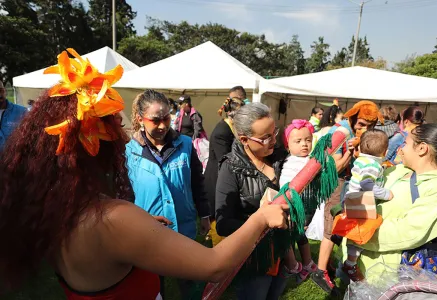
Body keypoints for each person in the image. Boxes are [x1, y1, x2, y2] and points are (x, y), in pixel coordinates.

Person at [0, 48, 290, 300]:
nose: (123, 141)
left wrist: (141, 224)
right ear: (96, 146)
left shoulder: (53, 210)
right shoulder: (113, 219)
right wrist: (261, 217)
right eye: (116, 130)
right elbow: (214, 265)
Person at [127, 90, 211, 297]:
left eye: (166, 118)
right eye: (155, 120)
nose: (163, 125)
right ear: (140, 119)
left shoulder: (184, 144)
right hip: (148, 230)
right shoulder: (129, 150)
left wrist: (205, 214)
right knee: (153, 284)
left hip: (184, 226)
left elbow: (196, 183)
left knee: (189, 281)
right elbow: (125, 192)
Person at [349, 123, 437, 277]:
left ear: (422, 148)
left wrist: (357, 233)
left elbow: (409, 230)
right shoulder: (397, 170)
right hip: (363, 267)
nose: (400, 148)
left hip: (391, 276)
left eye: (406, 143)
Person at [215, 103, 288, 300]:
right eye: (266, 138)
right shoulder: (230, 168)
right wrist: (260, 224)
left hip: (283, 250)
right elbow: (223, 224)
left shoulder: (281, 158)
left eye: (275, 133)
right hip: (254, 258)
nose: (274, 141)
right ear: (245, 140)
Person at [311, 100, 383, 294]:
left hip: (347, 184)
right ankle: (320, 271)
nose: (364, 128)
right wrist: (351, 152)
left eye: (370, 126)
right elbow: (334, 168)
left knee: (339, 228)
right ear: (352, 118)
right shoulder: (341, 133)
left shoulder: (352, 132)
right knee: (331, 227)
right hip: (337, 184)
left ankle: (327, 265)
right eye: (361, 124)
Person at [340, 129, 393, 281]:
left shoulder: (362, 160)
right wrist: (385, 194)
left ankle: (349, 260)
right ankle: (350, 264)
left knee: (355, 233)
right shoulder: (373, 166)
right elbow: (367, 183)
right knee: (361, 234)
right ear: (385, 151)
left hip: (352, 200)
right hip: (361, 204)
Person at [204, 86, 246, 247]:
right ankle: (218, 253)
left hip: (222, 176)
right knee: (218, 218)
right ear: (232, 114)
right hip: (216, 179)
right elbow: (225, 159)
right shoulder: (222, 131)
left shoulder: (230, 128)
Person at [279, 119, 318, 282]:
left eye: (308, 140)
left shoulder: (311, 161)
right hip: (290, 205)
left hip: (301, 207)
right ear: (288, 145)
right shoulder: (287, 160)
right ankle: (308, 262)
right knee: (299, 235)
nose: (304, 144)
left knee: (288, 236)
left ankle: (294, 266)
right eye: (298, 141)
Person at [0, 79, 27, 150]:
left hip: (14, 159)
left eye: (1, 90)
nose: (0, 95)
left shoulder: (22, 111)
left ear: (5, 91)